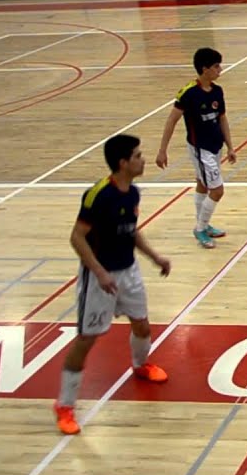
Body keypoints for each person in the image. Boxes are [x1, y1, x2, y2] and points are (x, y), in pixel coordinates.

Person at [54, 134, 172, 435]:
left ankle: (140, 365)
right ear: (123, 162)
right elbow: (76, 237)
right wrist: (99, 271)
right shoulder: (98, 195)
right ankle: (65, 405)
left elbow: (131, 231)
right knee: (86, 339)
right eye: (137, 155)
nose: (143, 159)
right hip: (98, 279)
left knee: (143, 326)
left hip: (128, 272)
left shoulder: (132, 193)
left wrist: (155, 257)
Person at [155, 47, 237, 248]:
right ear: (205, 69)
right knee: (217, 191)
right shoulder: (189, 93)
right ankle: (200, 229)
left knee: (202, 184)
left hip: (215, 147)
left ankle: (204, 224)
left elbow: (223, 119)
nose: (220, 70)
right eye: (216, 66)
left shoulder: (217, 91)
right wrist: (162, 150)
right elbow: (171, 120)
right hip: (201, 150)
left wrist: (230, 146)